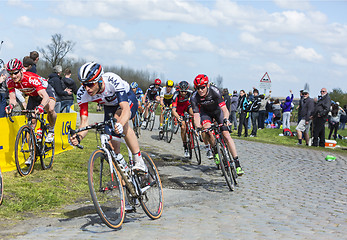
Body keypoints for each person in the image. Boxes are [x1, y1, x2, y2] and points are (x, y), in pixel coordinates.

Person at [70, 62, 147, 173]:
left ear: (100, 80)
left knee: (119, 120)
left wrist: (120, 123)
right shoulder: (82, 94)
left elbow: (125, 109)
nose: (87, 88)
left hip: (126, 99)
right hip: (109, 106)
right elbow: (84, 122)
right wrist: (79, 137)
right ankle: (125, 180)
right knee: (112, 147)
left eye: (90, 84)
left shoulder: (112, 80)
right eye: (83, 84)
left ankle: (139, 160)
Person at [191, 74, 244, 175]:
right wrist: (198, 127)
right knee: (207, 130)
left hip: (217, 112)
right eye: (198, 88)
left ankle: (237, 164)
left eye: (202, 87)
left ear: (206, 85)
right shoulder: (194, 97)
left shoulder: (215, 91)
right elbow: (196, 115)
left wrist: (225, 119)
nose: (200, 90)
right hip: (205, 114)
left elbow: (225, 109)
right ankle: (215, 150)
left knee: (226, 135)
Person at [5, 58, 57, 145]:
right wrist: (10, 106)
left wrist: (41, 106)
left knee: (50, 109)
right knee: (31, 122)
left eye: (16, 72)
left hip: (45, 92)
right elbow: (13, 99)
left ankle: (51, 130)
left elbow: (46, 97)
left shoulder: (30, 78)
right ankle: (32, 153)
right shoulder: (10, 81)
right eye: (11, 73)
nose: (13, 76)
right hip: (33, 96)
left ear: (21, 70)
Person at [171, 81, 194, 157]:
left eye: (185, 91)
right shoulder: (176, 95)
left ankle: (194, 128)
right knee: (183, 127)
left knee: (193, 114)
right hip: (179, 109)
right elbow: (173, 110)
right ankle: (185, 147)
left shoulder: (190, 93)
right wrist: (178, 118)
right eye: (182, 91)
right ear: (179, 90)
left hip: (186, 105)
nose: (184, 93)